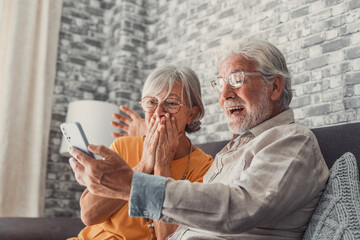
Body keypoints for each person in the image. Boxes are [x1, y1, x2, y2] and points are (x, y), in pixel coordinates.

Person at [68, 40, 329, 239]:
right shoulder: (231, 152)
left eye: (237, 80)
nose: (225, 94)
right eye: (220, 83)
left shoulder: (292, 141)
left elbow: (237, 208)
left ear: (275, 87)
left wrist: (131, 183)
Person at [68, 65, 213, 240]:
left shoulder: (204, 168)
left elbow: (168, 237)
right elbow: (89, 215)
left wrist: (162, 165)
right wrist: (144, 165)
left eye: (172, 103)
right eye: (151, 102)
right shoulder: (123, 146)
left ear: (192, 113)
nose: (158, 113)